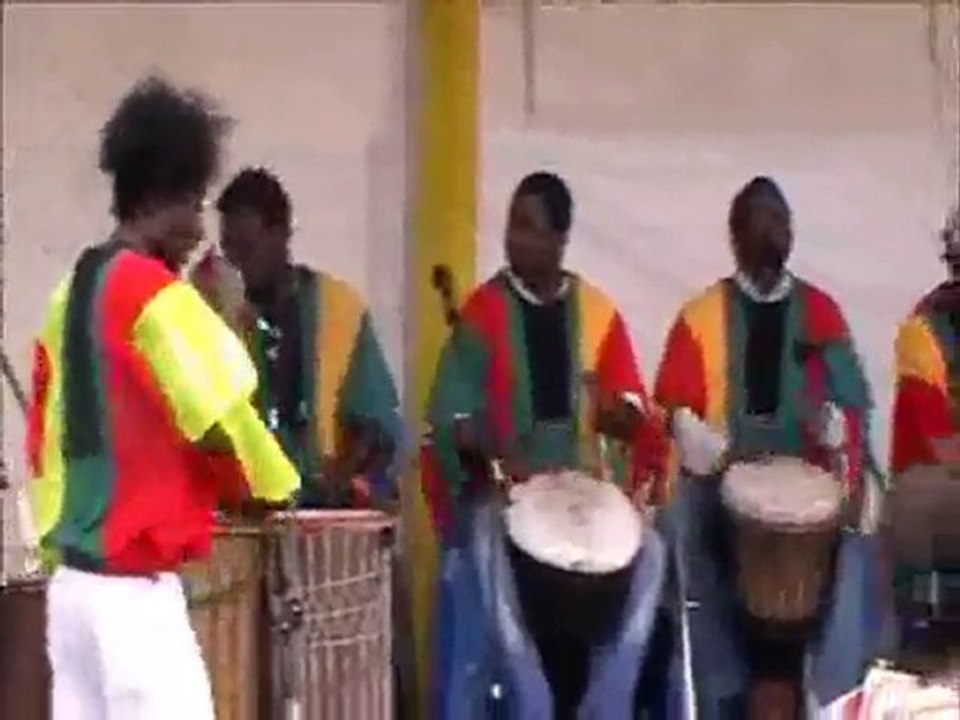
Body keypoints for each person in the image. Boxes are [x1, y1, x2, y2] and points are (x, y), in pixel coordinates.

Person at [25, 77, 300, 720]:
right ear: (160, 199)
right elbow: (221, 417)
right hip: (133, 599)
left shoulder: (69, 294)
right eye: (195, 206)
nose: (200, 230)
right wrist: (270, 486)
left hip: (72, 592)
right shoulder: (158, 296)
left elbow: (43, 435)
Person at [423, 171, 678, 718]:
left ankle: (607, 702)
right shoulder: (482, 314)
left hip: (585, 493)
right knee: (487, 545)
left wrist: (619, 415)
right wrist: (481, 441)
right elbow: (450, 418)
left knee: (653, 554)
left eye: (529, 227)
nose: (515, 239)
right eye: (513, 225)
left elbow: (634, 408)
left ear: (560, 240)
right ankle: (529, 697)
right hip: (509, 494)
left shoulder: (597, 313)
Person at [653, 176, 886, 718]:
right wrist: (720, 455)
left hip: (809, 484)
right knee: (680, 524)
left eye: (780, 221)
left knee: (863, 529)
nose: (772, 232)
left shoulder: (821, 313)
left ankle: (833, 693)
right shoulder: (701, 315)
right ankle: (717, 691)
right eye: (759, 220)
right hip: (722, 484)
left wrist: (837, 439)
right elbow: (675, 413)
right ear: (734, 235)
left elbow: (852, 405)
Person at [193, 167, 401, 509]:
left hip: (322, 520)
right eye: (228, 248)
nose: (234, 261)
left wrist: (342, 478)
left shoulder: (339, 307)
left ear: (281, 235)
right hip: (244, 513)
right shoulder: (215, 311)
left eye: (246, 248)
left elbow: (374, 423)